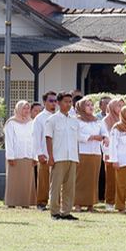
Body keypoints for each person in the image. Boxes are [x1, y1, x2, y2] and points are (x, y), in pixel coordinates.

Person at [44, 92, 81, 220]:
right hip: (58, 157)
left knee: (69, 187)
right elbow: (48, 138)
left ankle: (66, 211)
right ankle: (54, 212)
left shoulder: (75, 121)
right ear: (59, 103)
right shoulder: (52, 119)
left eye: (70, 102)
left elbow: (78, 139)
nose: (68, 104)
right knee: (55, 186)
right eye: (65, 101)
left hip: (72, 157)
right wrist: (50, 156)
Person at [3, 101, 36, 208]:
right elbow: (9, 141)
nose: (26, 111)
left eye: (28, 108)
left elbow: (34, 140)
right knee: (13, 181)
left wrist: (35, 156)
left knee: (27, 181)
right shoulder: (11, 123)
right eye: (24, 108)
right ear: (18, 109)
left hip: (28, 155)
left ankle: (25, 202)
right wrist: (10, 156)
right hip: (15, 156)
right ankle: (11, 202)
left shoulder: (32, 122)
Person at [75, 98, 106, 211]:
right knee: (80, 179)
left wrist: (105, 138)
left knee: (93, 179)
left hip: (96, 153)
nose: (90, 107)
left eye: (92, 105)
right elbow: (77, 135)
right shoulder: (77, 121)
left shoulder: (98, 121)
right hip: (82, 152)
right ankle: (77, 203)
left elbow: (104, 132)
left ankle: (90, 204)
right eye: (87, 105)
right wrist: (91, 137)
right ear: (81, 107)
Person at [32, 91, 59, 210]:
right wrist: (39, 153)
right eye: (51, 101)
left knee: (57, 180)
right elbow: (36, 137)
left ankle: (56, 203)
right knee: (43, 180)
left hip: (58, 154)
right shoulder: (40, 118)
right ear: (44, 102)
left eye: (55, 101)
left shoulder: (59, 117)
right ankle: (41, 203)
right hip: (45, 154)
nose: (54, 103)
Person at [101, 97, 123, 209]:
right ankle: (109, 202)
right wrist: (107, 153)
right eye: (118, 105)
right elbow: (104, 139)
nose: (121, 108)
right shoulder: (106, 120)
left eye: (122, 106)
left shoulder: (123, 120)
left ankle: (119, 201)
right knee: (111, 180)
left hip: (122, 154)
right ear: (112, 107)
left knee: (121, 180)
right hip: (110, 154)